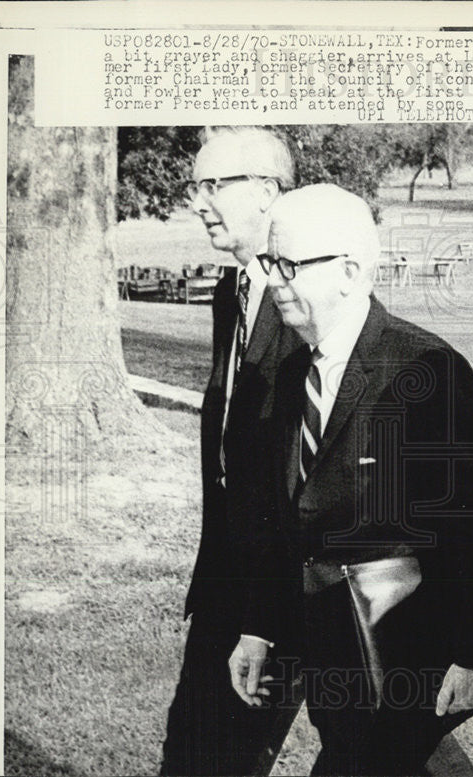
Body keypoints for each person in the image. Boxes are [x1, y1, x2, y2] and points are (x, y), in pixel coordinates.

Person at [227, 184, 473, 776]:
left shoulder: (424, 370)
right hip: (329, 658)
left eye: (289, 265)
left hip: (407, 661)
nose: (274, 280)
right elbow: (282, 520)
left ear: (350, 271)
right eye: (269, 263)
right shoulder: (288, 378)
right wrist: (258, 628)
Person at [161, 126, 303, 776]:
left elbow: (302, 481)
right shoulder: (233, 291)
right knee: (193, 753)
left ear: (271, 190)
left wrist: (263, 621)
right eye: (197, 186)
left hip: (282, 596)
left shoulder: (307, 301)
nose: (199, 201)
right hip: (227, 582)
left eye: (216, 184)